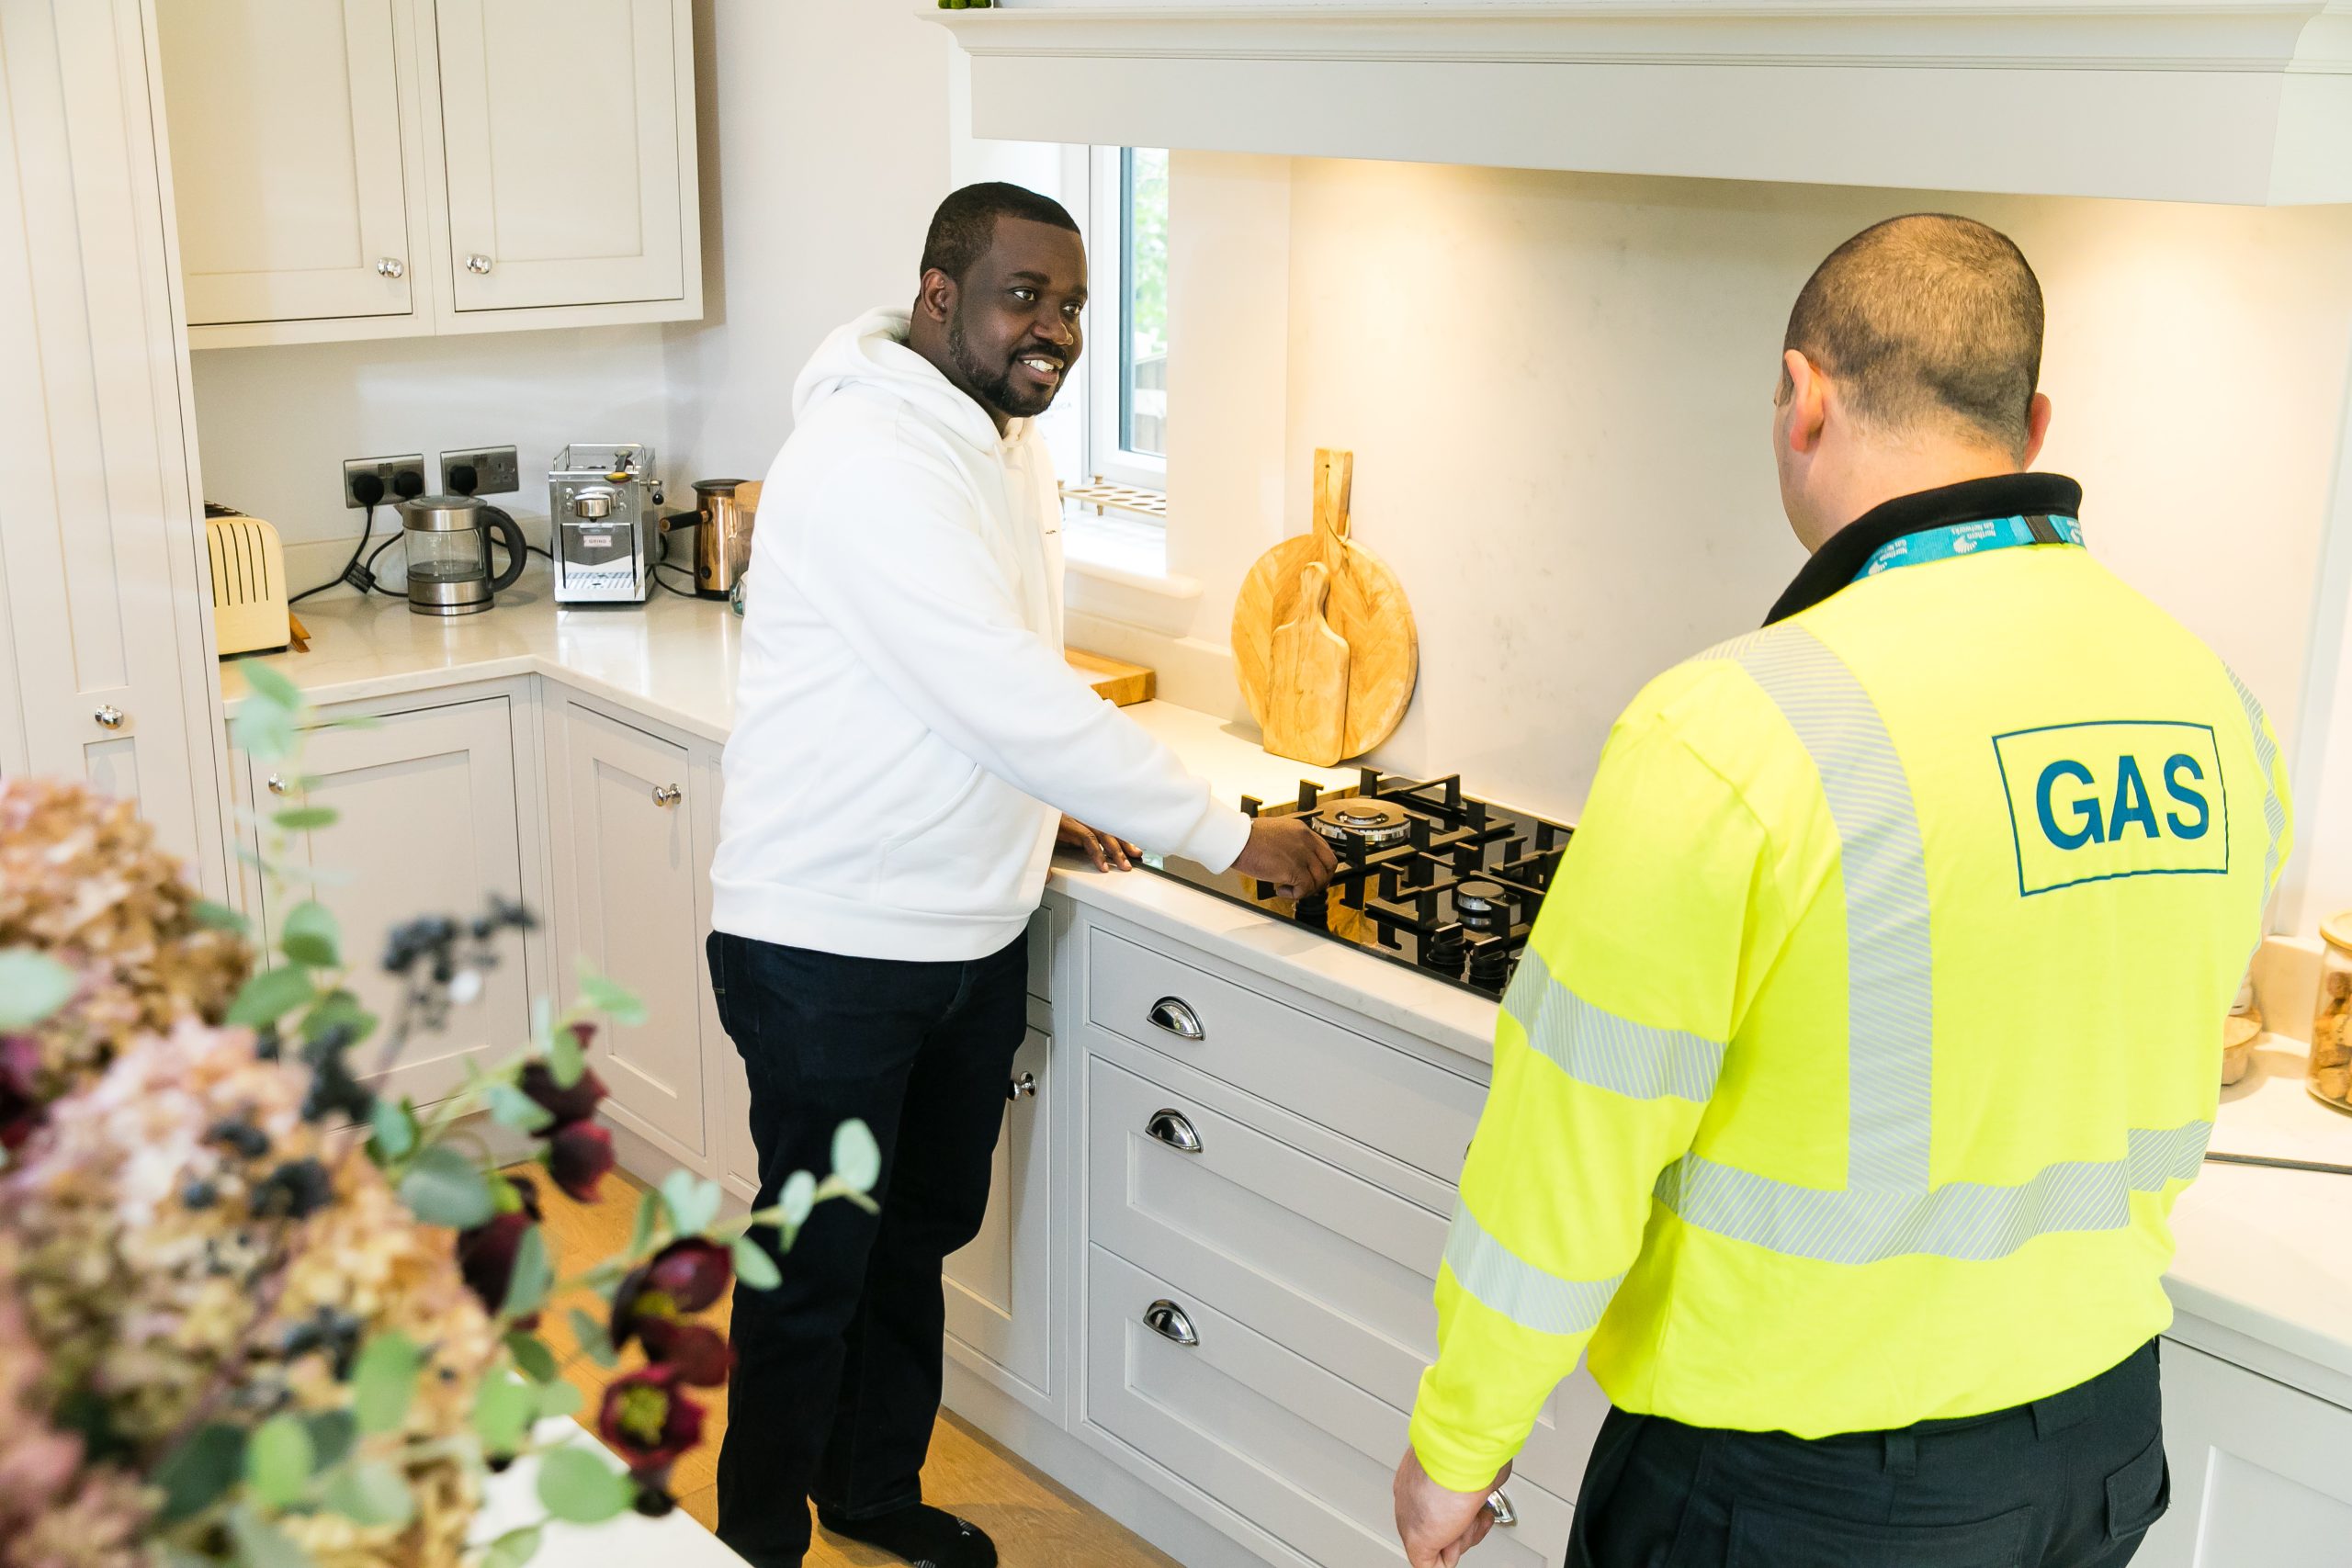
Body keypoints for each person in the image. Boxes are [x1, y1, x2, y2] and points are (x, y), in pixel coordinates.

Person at [1393, 214, 2293, 1568]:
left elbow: (1567, 1154)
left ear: (1802, 399)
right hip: (2093, 1454)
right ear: (2033, 423)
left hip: (1797, 1493)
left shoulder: (1732, 731)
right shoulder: (2212, 704)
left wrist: (1459, 1444)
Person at [706, 182, 1337, 1568]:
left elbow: (965, 681)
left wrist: (1027, 799)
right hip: (829, 945)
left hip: (960, 932)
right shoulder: (874, 450)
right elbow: (998, 686)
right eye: (1021, 296)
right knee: (816, 1267)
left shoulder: (996, 435)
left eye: (1072, 306)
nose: (1051, 328)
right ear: (940, 294)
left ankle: (867, 1496)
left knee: (915, 1237)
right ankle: (751, 1544)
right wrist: (1230, 834)